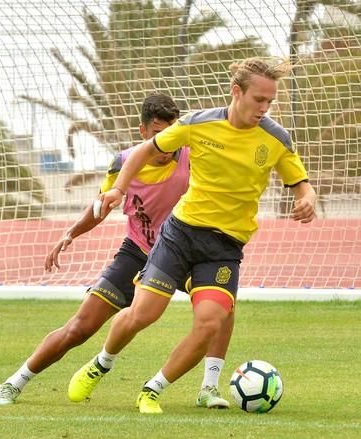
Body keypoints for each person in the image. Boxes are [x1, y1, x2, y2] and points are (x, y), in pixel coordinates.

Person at [68, 57, 317, 414]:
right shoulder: (198, 124)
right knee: (143, 314)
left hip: (225, 246)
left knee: (211, 322)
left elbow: (302, 185)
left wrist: (307, 200)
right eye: (258, 99)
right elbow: (144, 151)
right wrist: (119, 190)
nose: (264, 108)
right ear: (236, 92)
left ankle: (152, 389)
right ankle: (102, 363)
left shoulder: (276, 138)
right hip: (180, 234)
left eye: (270, 101)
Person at [0, 93, 233, 409]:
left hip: (183, 251)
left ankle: (209, 388)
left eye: (171, 132)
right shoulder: (123, 164)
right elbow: (100, 206)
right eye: (158, 133)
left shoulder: (193, 157)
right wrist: (72, 233)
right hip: (139, 251)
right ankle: (14, 383)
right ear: (143, 131)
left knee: (223, 309)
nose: (166, 142)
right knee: (80, 328)